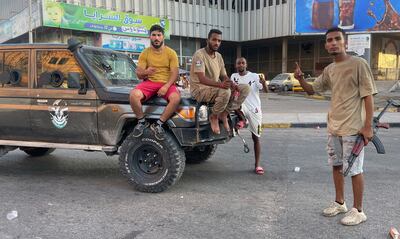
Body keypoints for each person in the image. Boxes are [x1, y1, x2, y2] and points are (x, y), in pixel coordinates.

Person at [294, 27, 377, 226]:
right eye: (329, 40)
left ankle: (358, 210)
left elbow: (368, 96)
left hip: (353, 128)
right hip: (334, 127)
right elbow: (312, 90)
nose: (333, 43)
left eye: (337, 39)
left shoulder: (359, 64)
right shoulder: (330, 70)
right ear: (326, 45)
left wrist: (368, 127)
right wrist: (300, 79)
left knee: (355, 169)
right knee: (336, 166)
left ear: (344, 43)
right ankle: (340, 202)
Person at [190, 29, 250, 134]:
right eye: (214, 40)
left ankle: (224, 113)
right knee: (225, 91)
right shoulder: (199, 55)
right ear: (207, 40)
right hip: (200, 89)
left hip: (215, 88)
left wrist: (231, 84)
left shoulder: (219, 56)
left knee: (245, 89)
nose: (216, 43)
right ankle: (214, 116)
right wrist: (222, 85)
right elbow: (202, 79)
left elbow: (223, 75)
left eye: (219, 41)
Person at [129, 24, 180, 140]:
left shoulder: (171, 53)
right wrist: (146, 72)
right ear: (150, 37)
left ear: (163, 37)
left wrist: (166, 87)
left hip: (167, 83)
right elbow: (138, 73)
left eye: (159, 35)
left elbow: (175, 73)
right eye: (154, 35)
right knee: (133, 95)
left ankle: (159, 124)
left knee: (176, 99)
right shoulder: (145, 53)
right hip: (150, 83)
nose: (156, 38)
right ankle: (142, 122)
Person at [231, 57, 268, 175]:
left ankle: (257, 165)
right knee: (232, 104)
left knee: (256, 137)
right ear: (236, 65)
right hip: (241, 106)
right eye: (238, 63)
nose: (241, 65)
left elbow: (266, 91)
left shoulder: (254, 76)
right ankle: (242, 120)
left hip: (254, 109)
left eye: (243, 63)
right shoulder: (233, 77)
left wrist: (263, 83)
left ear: (246, 65)